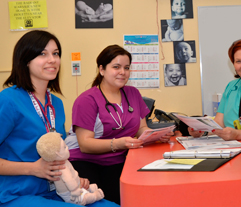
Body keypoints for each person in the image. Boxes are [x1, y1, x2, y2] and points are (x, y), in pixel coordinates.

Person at [0, 30, 118, 207]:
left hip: (56, 191)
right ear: (25, 60)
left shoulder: (56, 103)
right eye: (42, 54)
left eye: (56, 54)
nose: (52, 60)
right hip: (17, 194)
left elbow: (58, 154)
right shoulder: (9, 100)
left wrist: (75, 178)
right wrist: (33, 168)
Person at [65, 45, 173, 205]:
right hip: (86, 162)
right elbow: (85, 144)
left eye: (126, 68)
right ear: (101, 69)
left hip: (118, 159)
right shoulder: (86, 100)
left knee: (143, 194)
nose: (122, 72)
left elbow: (141, 128)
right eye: (116, 67)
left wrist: (155, 135)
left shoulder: (133, 93)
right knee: (108, 202)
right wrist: (118, 143)